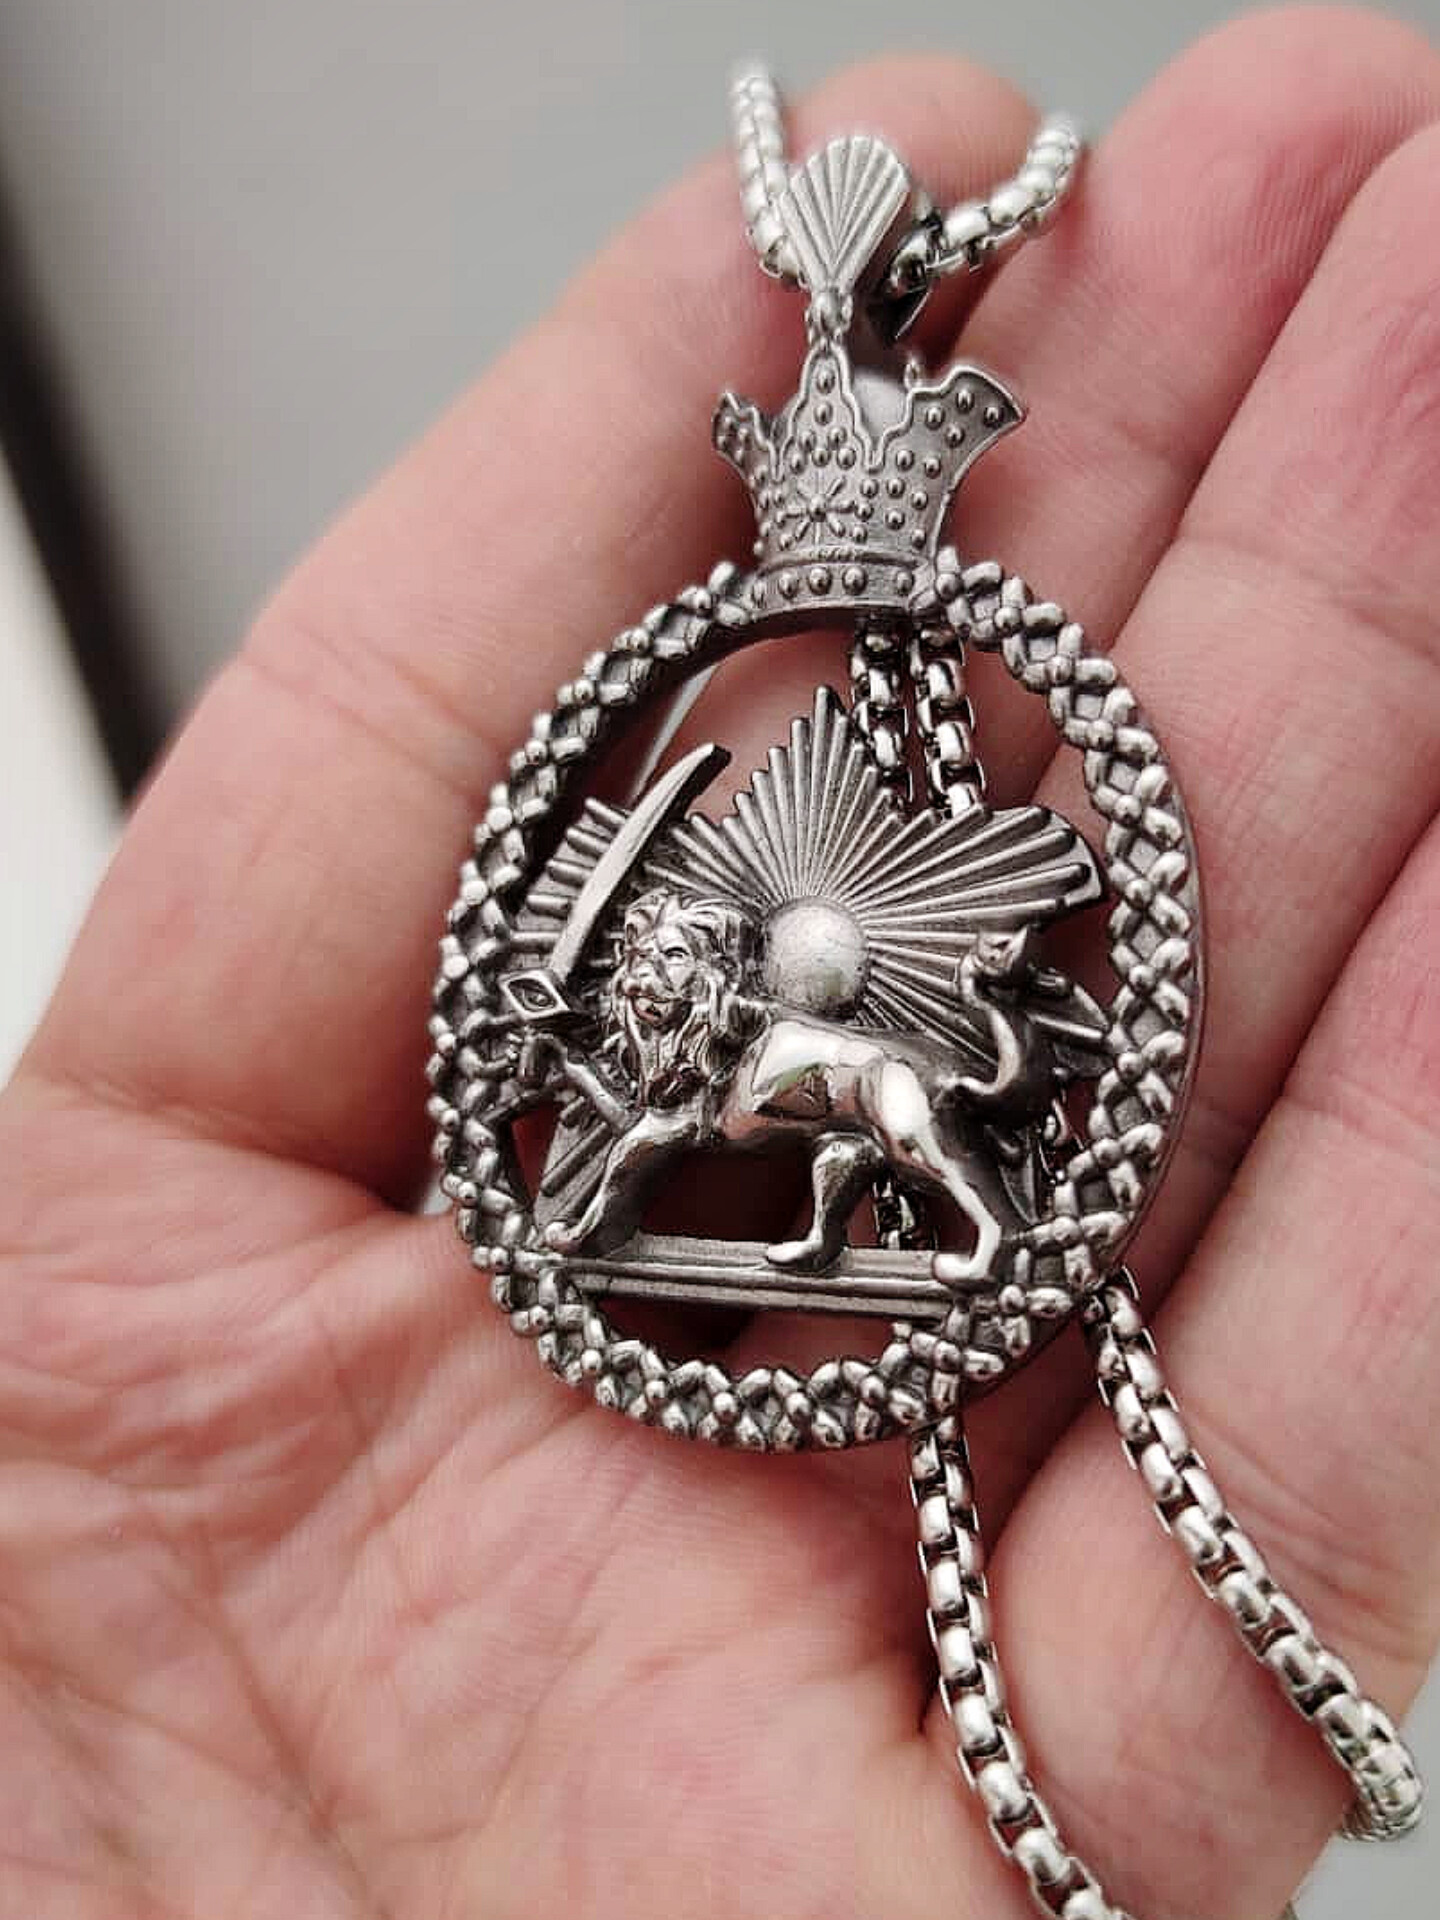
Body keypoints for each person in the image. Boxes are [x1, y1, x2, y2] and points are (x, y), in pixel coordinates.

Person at [3, 12, 1440, 1916]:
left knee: (886, 1145)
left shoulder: (782, 997)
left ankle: (936, 1225)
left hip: (816, 1117)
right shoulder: (698, 989)